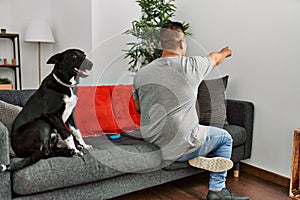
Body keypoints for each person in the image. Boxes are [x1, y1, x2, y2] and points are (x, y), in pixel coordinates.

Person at [133, 21, 249, 200]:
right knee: (226, 138)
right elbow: (216, 58)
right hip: (182, 143)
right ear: (181, 43)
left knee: (196, 131)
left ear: (160, 44)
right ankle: (218, 191)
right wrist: (226, 51)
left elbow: (139, 108)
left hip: (153, 139)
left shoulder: (141, 73)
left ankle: (193, 155)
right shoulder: (191, 66)